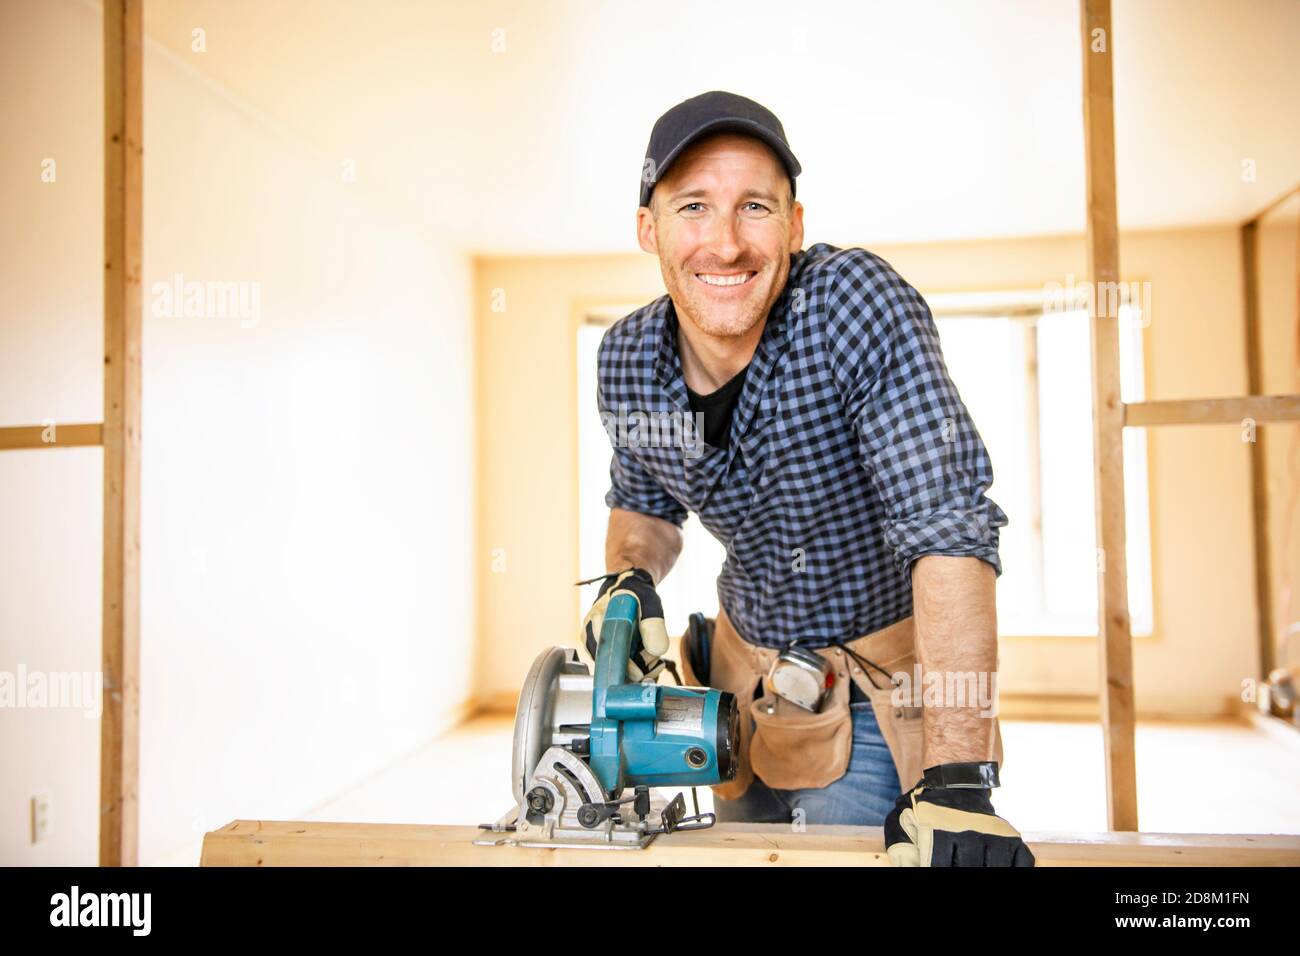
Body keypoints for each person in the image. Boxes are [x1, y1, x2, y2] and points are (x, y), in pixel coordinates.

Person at [581, 91, 1034, 867]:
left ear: (793, 225)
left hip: (875, 687)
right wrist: (629, 579)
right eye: (693, 206)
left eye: (754, 206)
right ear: (646, 228)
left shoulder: (849, 307)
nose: (724, 245)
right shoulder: (628, 363)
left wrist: (960, 777)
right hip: (738, 683)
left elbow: (949, 523)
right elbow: (646, 504)